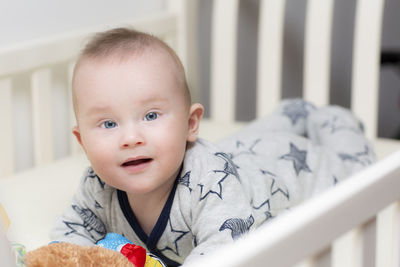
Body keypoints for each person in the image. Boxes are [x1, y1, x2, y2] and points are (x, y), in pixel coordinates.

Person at [51, 27, 375, 266]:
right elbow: (70, 235)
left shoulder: (209, 180)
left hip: (286, 170)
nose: (130, 137)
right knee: (245, 141)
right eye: (108, 124)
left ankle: (331, 120)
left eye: (150, 115)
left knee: (356, 166)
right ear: (82, 141)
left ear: (191, 124)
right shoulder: (97, 185)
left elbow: (224, 249)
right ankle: (290, 114)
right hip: (239, 153)